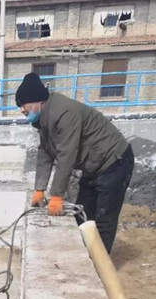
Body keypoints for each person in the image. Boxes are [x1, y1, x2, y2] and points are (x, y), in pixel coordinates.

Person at [16, 72, 134, 254]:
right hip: (93, 167)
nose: (22, 110)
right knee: (82, 214)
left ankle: (99, 264)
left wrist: (56, 195)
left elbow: (67, 154)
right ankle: (84, 255)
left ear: (38, 101)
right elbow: (45, 152)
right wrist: (40, 189)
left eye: (23, 105)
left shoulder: (64, 113)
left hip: (114, 162)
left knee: (103, 219)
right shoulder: (44, 118)